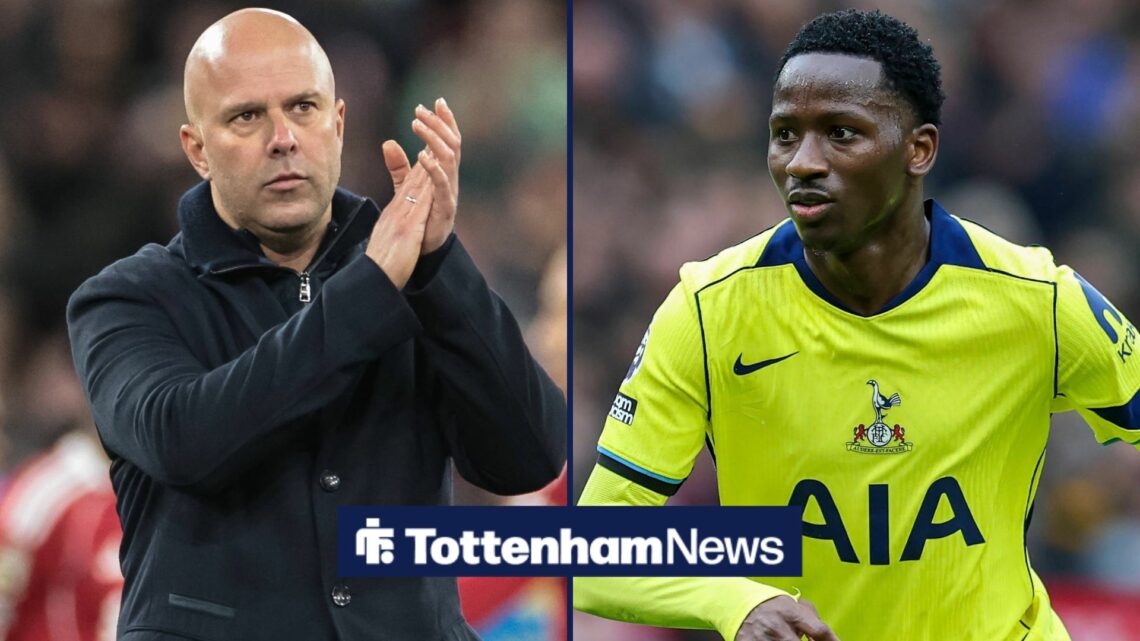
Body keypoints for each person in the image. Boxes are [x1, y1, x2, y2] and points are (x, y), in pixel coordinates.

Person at [574, 9, 1140, 641]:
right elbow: (596, 555)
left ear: (919, 149)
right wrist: (734, 604)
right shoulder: (707, 313)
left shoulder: (1037, 301)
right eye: (785, 134)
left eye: (841, 133)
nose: (803, 162)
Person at [66, 8, 565, 641]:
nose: (283, 137)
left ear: (338, 123)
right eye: (247, 116)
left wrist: (440, 263)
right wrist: (372, 289)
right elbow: (184, 440)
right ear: (196, 149)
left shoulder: (417, 279)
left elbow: (528, 457)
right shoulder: (126, 298)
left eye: (303, 107)